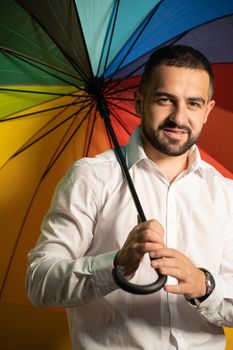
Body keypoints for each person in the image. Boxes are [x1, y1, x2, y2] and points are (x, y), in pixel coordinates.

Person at [26, 45, 233, 350]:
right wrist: (116, 265)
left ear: (207, 110)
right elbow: (39, 283)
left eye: (193, 103)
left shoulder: (226, 193)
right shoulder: (91, 177)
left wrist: (204, 285)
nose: (179, 117)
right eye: (165, 99)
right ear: (139, 102)